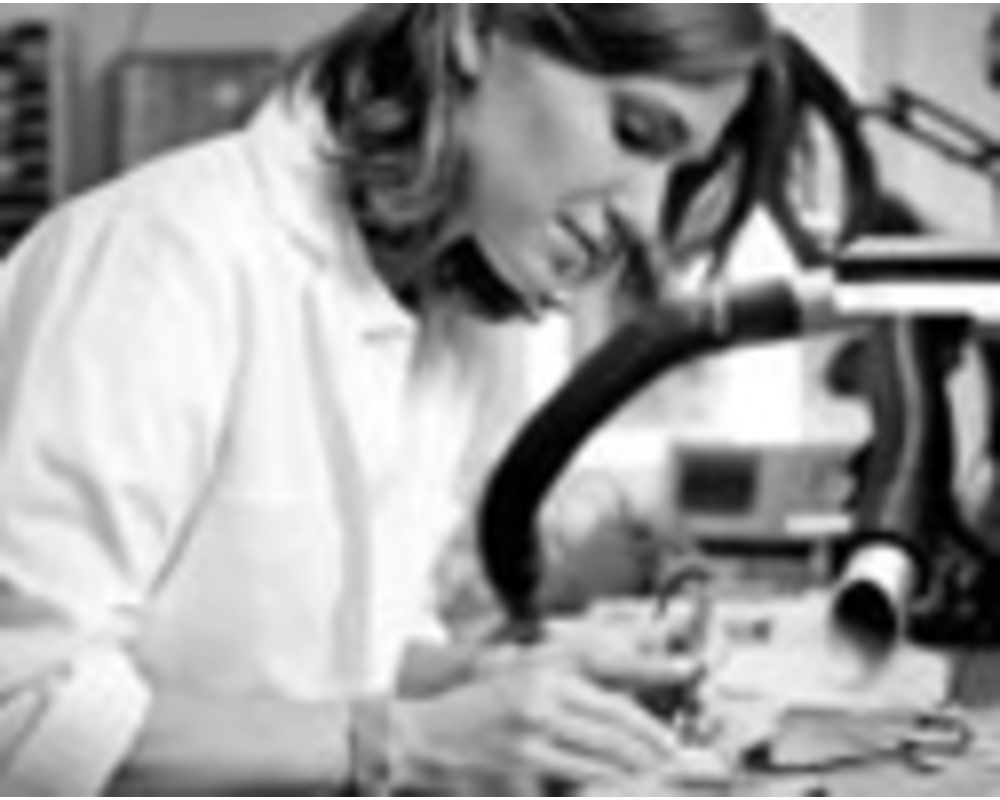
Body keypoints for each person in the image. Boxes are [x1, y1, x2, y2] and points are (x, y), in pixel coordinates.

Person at [0, 5, 782, 795]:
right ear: (476, 29)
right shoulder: (160, 261)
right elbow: (20, 709)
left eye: (678, 171)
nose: (646, 216)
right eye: (637, 131)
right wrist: (408, 744)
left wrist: (487, 684)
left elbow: (332, 661)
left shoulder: (445, 321)